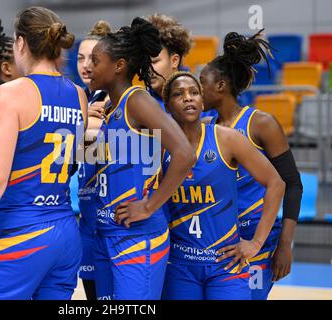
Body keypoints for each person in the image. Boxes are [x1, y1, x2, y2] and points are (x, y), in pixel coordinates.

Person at [0, 6, 88, 300]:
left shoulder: (10, 93)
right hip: (66, 230)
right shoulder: (79, 95)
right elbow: (74, 164)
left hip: (23, 232)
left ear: (21, 43)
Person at [87, 17, 195, 300]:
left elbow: (184, 153)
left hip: (137, 235)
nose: (88, 67)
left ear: (119, 66)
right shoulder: (108, 106)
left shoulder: (138, 101)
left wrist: (149, 205)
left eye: (96, 61)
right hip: (106, 231)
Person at [160, 71, 285, 300]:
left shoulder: (227, 139)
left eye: (194, 93)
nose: (188, 98)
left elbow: (276, 183)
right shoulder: (159, 145)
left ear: (202, 100)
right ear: (167, 106)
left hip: (225, 264)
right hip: (179, 264)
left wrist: (256, 243)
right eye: (179, 94)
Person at [200, 30, 303, 299]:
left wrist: (285, 245)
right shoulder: (207, 129)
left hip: (257, 238)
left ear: (221, 86)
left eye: (202, 84)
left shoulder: (261, 123)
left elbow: (292, 184)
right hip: (222, 240)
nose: (197, 93)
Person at [76, 20, 111, 300]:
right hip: (86, 221)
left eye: (94, 59)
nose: (86, 65)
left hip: (114, 222)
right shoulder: (82, 102)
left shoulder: (119, 103)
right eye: (80, 58)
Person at [146, 14, 192, 108]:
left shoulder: (203, 101)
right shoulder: (140, 102)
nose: (148, 69)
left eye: (154, 62)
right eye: (144, 62)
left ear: (174, 61)